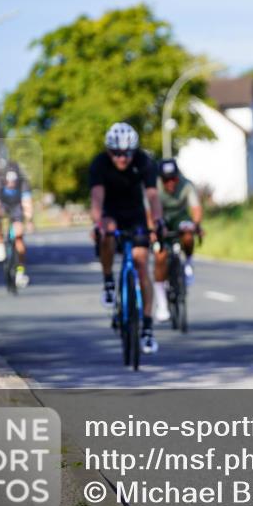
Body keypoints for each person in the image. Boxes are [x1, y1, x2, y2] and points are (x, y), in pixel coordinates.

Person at [89, 122, 165, 354]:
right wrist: (98, 223)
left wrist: (158, 222)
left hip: (135, 216)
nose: (122, 158)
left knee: (142, 265)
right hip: (111, 213)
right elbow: (97, 199)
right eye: (117, 153)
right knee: (107, 231)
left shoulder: (144, 162)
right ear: (109, 151)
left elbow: (152, 197)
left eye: (127, 153)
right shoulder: (100, 164)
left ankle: (148, 328)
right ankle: (109, 282)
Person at [152, 158, 202, 323]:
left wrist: (196, 225)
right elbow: (147, 211)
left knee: (188, 234)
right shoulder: (154, 187)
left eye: (173, 178)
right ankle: (161, 302)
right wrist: (152, 231)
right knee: (160, 257)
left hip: (180, 217)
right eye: (166, 180)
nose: (170, 183)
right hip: (160, 219)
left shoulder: (186, 185)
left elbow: (196, 209)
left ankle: (188, 262)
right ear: (161, 179)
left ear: (178, 177)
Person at [0, 162, 33, 288]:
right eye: (8, 181)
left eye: (13, 181)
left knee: (19, 236)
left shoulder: (23, 183)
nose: (11, 183)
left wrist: (29, 220)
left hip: (17, 208)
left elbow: (27, 203)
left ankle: (20, 271)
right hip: (3, 206)